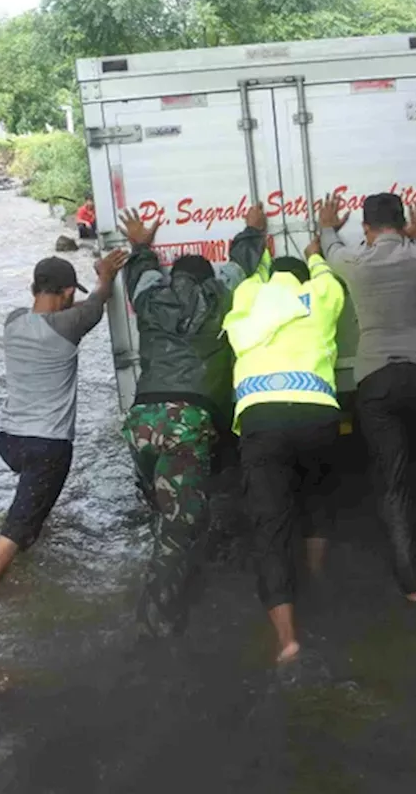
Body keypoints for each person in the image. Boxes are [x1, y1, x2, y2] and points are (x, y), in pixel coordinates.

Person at [118, 204, 267, 637]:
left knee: (163, 512)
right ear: (207, 278)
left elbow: (138, 274)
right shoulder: (220, 296)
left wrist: (141, 244)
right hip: (187, 421)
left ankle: (167, 592)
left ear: (173, 276)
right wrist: (252, 230)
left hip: (142, 420)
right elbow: (240, 264)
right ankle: (155, 624)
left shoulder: (149, 299)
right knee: (178, 528)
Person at [0, 250, 127, 603]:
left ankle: (28, 541)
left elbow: (70, 308)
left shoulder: (13, 320)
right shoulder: (71, 325)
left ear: (32, 287)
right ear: (68, 292)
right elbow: (98, 299)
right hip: (47, 447)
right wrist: (104, 276)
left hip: (9, 441)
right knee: (12, 535)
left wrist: (78, 292)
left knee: (33, 514)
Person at [319, 192, 416, 602]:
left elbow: (329, 248)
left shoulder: (355, 262)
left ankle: (413, 583)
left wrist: (326, 224)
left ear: (366, 228)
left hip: (377, 381)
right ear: (403, 223)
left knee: (393, 483)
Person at [222, 238, 346, 665]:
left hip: (261, 418)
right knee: (316, 497)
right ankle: (316, 575)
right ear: (305, 277)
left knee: (269, 526)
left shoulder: (249, 297)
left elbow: (250, 274)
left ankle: (288, 640)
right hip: (317, 414)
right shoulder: (320, 295)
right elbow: (329, 276)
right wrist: (316, 249)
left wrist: (262, 249)